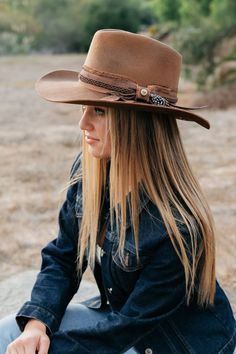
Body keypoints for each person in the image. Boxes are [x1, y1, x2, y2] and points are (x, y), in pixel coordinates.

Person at [0, 29, 235, 354]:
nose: (83, 124)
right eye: (84, 107)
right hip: (120, 321)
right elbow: (63, 256)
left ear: (136, 124)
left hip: (172, 345)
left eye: (99, 111)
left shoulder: (178, 228)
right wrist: (37, 325)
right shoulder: (89, 172)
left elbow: (125, 332)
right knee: (10, 333)